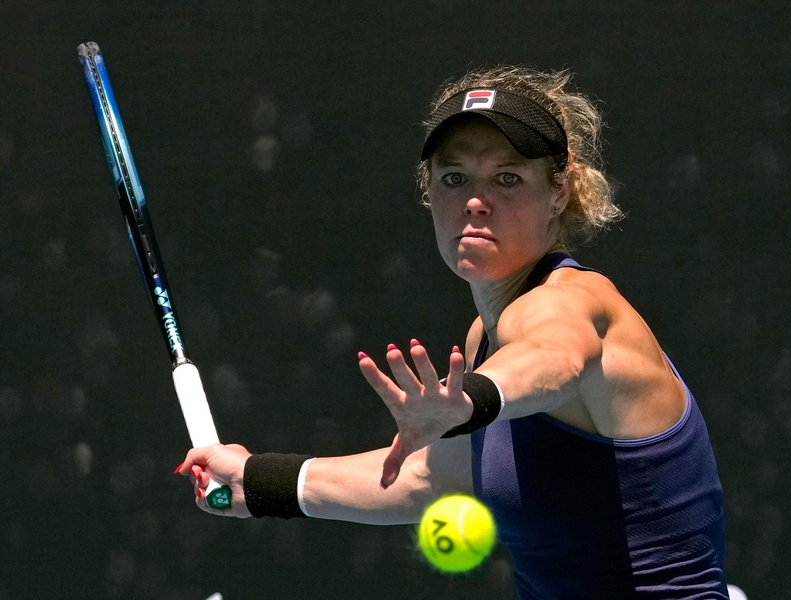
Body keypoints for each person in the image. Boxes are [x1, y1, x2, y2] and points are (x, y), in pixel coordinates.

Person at [178, 66, 728, 599]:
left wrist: (475, 401)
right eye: (454, 177)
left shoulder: (572, 302)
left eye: (507, 178)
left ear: (559, 192)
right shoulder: (482, 336)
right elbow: (428, 480)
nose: (474, 199)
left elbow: (554, 359)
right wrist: (260, 481)